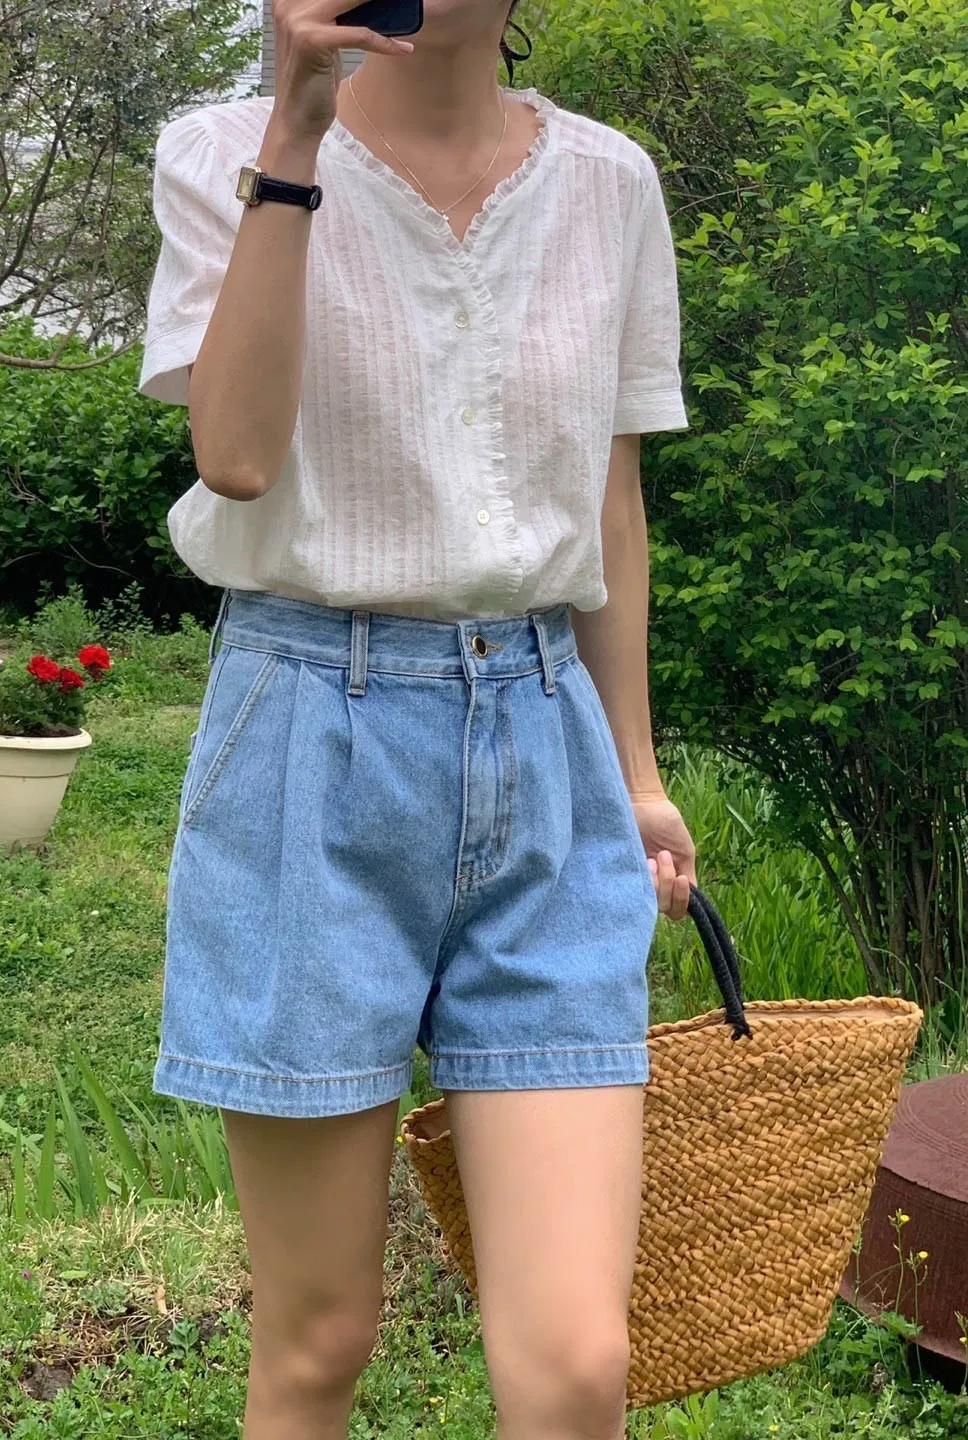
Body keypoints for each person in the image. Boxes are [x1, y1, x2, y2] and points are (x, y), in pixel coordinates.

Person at [138, 1, 699, 1435]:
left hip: (548, 743)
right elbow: (236, 454)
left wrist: (636, 772)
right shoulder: (220, 151)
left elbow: (611, 506)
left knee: (578, 1362)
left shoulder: (609, 183)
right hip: (309, 735)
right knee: (319, 1336)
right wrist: (296, 132)